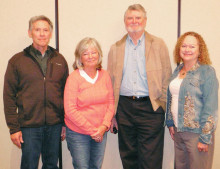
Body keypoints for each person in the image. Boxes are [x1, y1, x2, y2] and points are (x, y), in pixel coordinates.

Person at [107, 4, 172, 169]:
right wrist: (112, 113)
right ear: (125, 21)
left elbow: (167, 77)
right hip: (124, 107)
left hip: (151, 107)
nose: (134, 21)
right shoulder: (115, 48)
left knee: (151, 159)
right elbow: (110, 84)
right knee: (128, 156)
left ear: (145, 20)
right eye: (130, 18)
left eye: (138, 18)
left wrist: (162, 106)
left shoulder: (158, 44)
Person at [3, 15, 69, 169]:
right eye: (37, 30)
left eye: (45, 30)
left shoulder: (59, 59)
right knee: (29, 165)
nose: (42, 34)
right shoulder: (17, 61)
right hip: (29, 126)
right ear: (29, 33)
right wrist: (14, 128)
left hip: (54, 125)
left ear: (50, 34)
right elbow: (9, 96)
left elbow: (66, 93)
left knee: (52, 165)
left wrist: (65, 122)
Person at [166, 31, 218, 169]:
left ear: (200, 50)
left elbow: (211, 107)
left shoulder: (207, 72)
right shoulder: (177, 71)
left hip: (197, 134)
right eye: (184, 46)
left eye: (192, 46)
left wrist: (205, 138)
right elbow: (172, 98)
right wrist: (170, 122)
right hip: (178, 131)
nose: (187, 49)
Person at [64, 37, 114, 169]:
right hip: (78, 133)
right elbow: (70, 110)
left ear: (99, 55)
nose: (90, 56)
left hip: (100, 131)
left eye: (94, 52)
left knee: (96, 166)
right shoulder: (74, 78)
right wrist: (92, 130)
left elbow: (110, 103)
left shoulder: (105, 75)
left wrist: (103, 127)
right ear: (79, 58)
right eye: (85, 53)